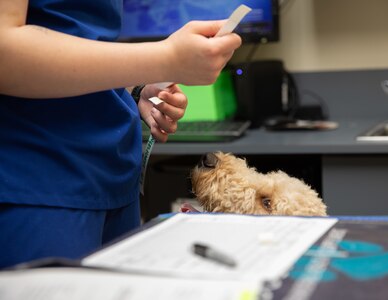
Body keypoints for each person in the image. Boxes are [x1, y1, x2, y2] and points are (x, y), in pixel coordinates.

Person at [0, 0, 242, 269]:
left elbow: (78, 33)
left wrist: (135, 87)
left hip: (113, 177)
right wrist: (166, 59)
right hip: (39, 179)